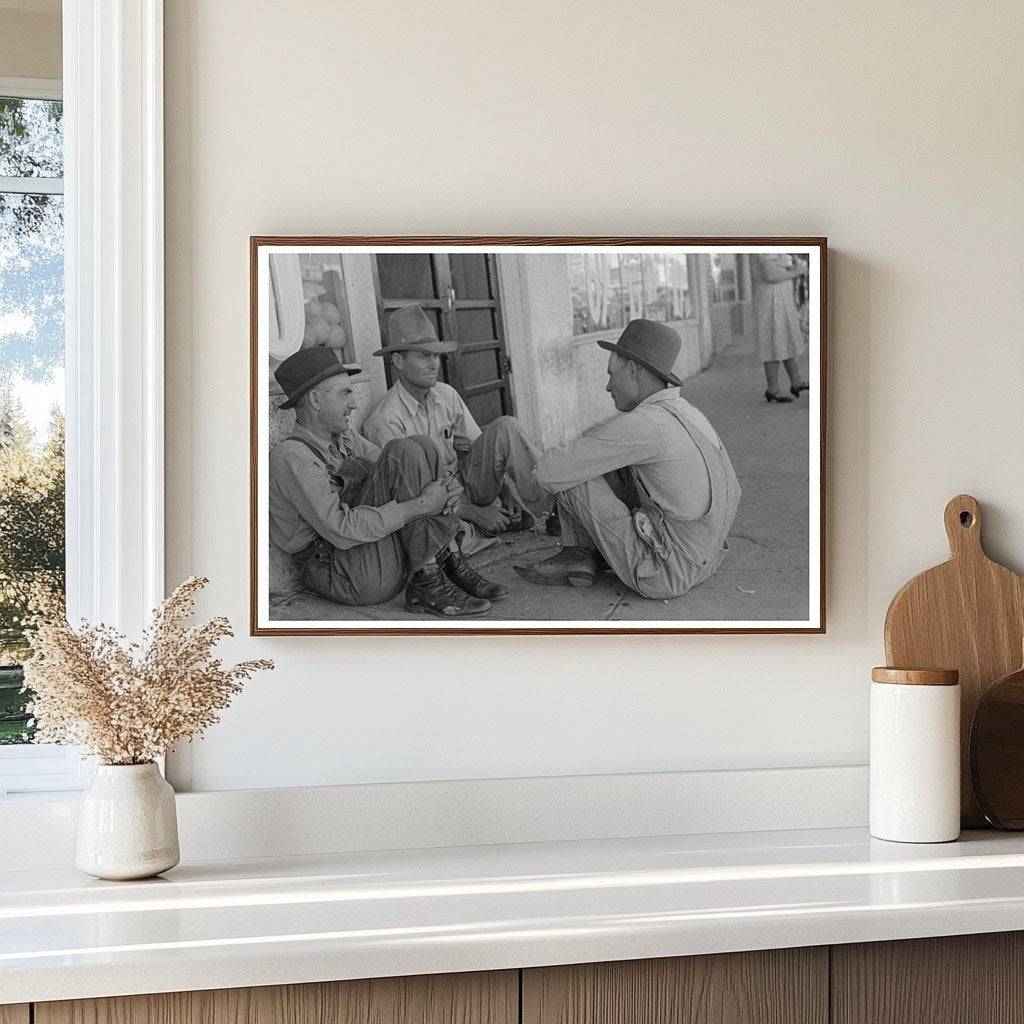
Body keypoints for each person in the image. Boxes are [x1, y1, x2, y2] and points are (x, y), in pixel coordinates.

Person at [268, 347, 505, 617]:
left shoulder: (345, 439)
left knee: (420, 446)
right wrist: (420, 506)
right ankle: (428, 580)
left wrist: (445, 489)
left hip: (368, 556)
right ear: (315, 400)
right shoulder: (292, 456)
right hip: (344, 572)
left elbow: (407, 468)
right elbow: (339, 529)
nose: (354, 404)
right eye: (345, 393)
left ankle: (446, 561)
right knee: (403, 450)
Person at [514, 320, 741, 600]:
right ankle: (580, 554)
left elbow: (549, 473)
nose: (608, 386)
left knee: (571, 475)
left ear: (633, 370)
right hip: (707, 558)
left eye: (612, 374)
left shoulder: (645, 424)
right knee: (602, 462)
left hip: (666, 572)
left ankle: (577, 554)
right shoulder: (685, 411)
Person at [362, 306, 546, 559]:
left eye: (436, 356)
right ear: (398, 361)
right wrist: (472, 511)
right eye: (423, 356)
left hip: (461, 485)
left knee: (507, 426)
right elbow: (413, 497)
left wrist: (505, 491)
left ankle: (550, 512)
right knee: (443, 541)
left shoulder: (446, 394)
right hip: (429, 505)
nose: (433, 364)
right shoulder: (385, 419)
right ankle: (477, 527)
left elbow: (478, 448)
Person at [751, 253, 810, 403]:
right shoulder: (764, 246)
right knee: (773, 341)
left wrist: (791, 267)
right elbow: (770, 274)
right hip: (772, 301)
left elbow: (777, 268)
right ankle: (772, 389)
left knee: (784, 339)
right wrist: (798, 271)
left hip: (779, 298)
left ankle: (796, 381)